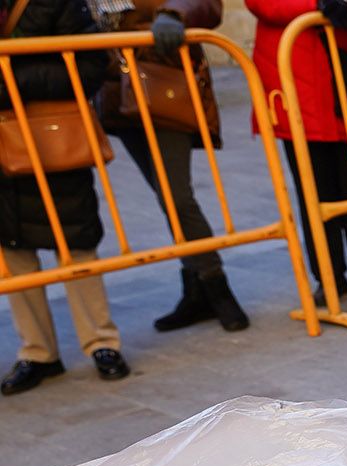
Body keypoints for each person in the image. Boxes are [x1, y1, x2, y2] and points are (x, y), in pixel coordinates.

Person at [0, 0, 130, 396]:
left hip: (53, 138)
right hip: (4, 146)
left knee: (77, 239)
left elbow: (90, 66)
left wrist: (9, 77)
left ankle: (101, 343)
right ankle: (37, 352)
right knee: (12, 246)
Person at [96, 0, 249, 332]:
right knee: (164, 194)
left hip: (162, 79)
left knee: (176, 195)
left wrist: (172, 16)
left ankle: (215, 285)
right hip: (114, 87)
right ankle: (195, 289)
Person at [247, 0, 347, 305]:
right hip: (294, 84)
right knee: (313, 191)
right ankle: (329, 275)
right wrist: (318, 4)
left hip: (346, 78)